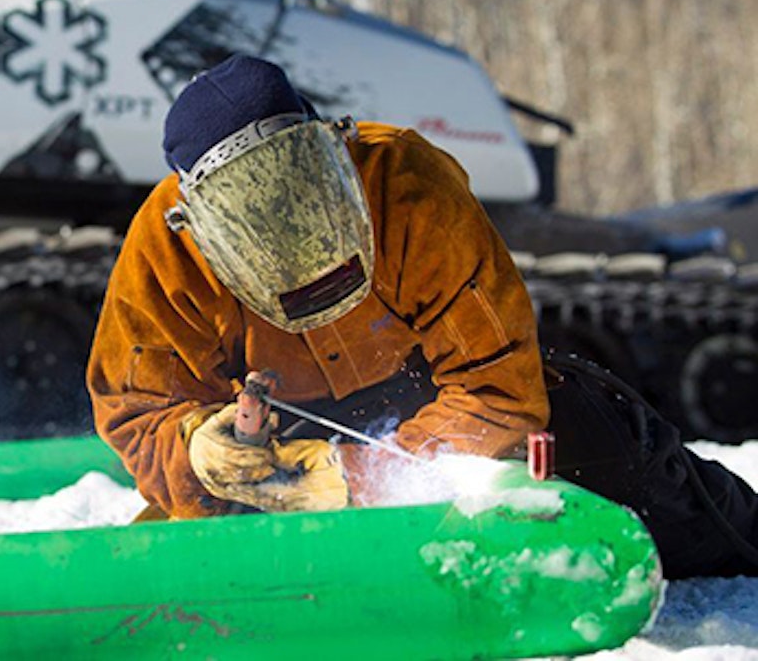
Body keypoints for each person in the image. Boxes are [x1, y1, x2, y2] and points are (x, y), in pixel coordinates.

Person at [87, 53, 758, 579]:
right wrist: (207, 446)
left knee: (618, 459)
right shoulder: (163, 248)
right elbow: (138, 411)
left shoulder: (406, 180)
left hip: (432, 408)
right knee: (181, 558)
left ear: (334, 149)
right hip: (277, 441)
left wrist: (356, 481)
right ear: (195, 218)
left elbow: (496, 387)